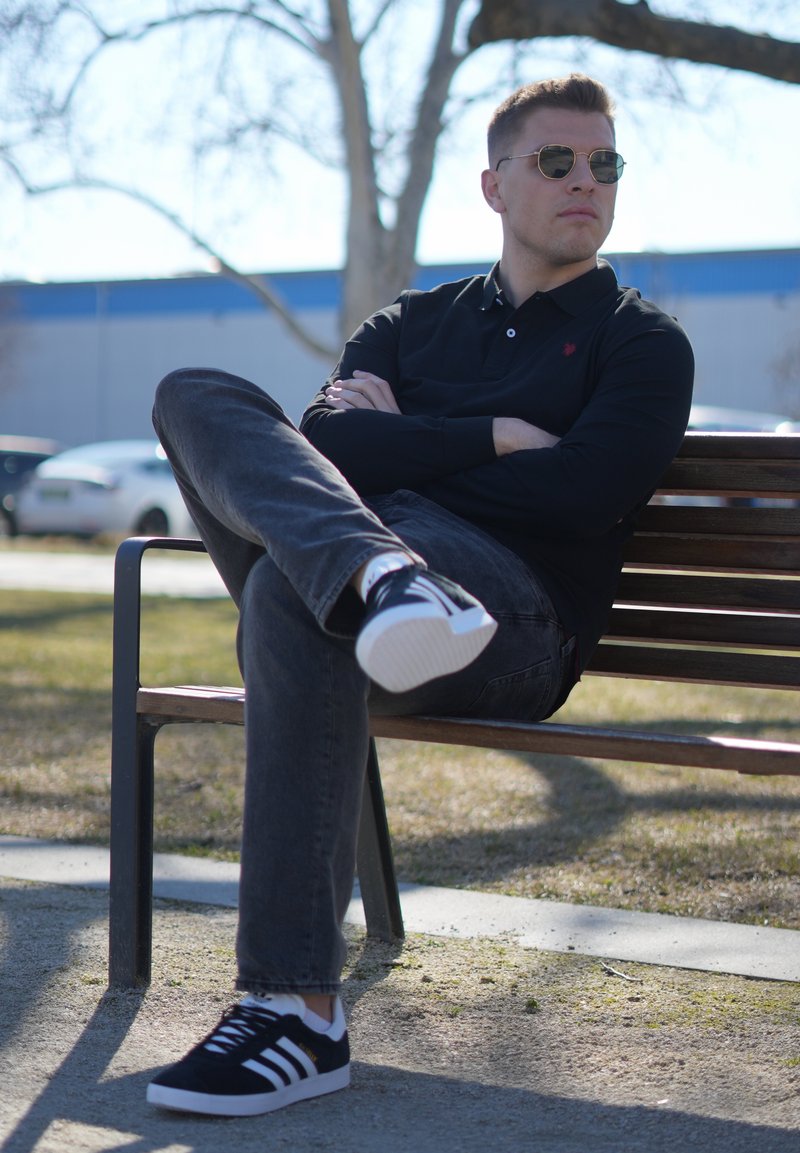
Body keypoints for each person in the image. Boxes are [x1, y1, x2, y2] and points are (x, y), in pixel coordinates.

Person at [146, 73, 694, 1118]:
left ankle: (293, 1007)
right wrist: (490, 436)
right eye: (556, 161)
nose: (587, 181)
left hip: (508, 624)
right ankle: (380, 576)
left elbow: (581, 493)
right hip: (379, 601)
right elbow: (325, 440)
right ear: (493, 186)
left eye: (604, 164)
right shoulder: (411, 323)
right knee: (195, 393)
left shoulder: (640, 343)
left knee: (282, 594)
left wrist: (397, 457)